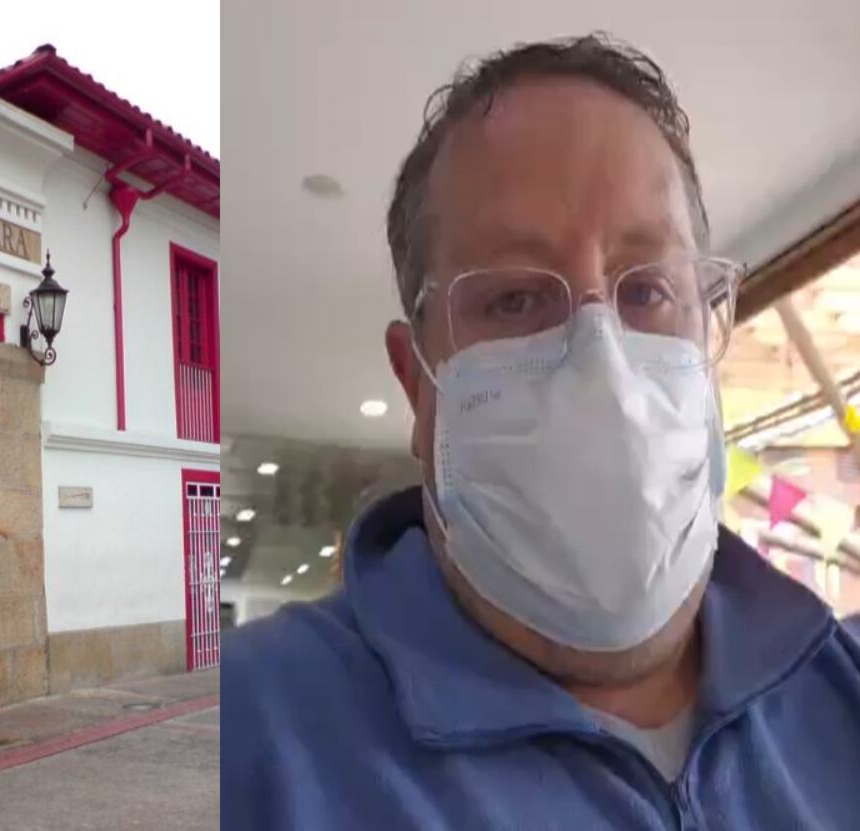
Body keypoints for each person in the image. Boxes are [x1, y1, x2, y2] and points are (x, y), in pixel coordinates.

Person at [222, 34, 860, 829]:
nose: (604, 362)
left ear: (706, 325)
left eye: (649, 288)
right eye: (517, 298)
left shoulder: (841, 681)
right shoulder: (249, 738)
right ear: (418, 383)